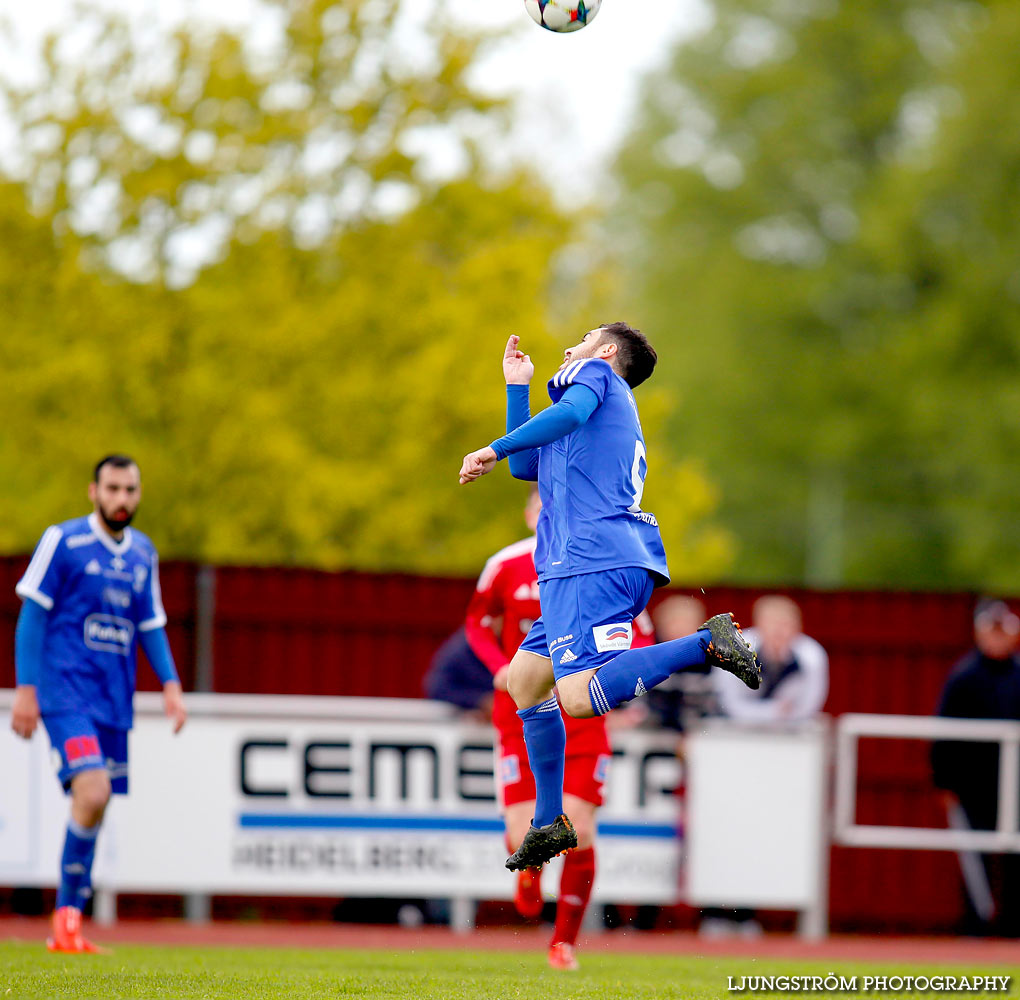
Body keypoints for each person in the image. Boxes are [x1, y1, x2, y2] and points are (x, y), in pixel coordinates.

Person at [458, 325, 760, 871]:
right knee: (526, 680)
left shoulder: (592, 374)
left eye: (583, 337)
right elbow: (529, 466)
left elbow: (555, 424)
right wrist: (516, 390)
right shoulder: (594, 413)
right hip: (590, 562)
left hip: (589, 559)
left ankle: (705, 645)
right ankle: (549, 820)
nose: (569, 345)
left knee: (575, 697)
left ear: (607, 351)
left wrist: (491, 448)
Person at [465, 486, 654, 971]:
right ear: (531, 515)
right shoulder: (505, 565)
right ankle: (528, 871)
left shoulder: (603, 562)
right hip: (522, 716)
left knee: (580, 830)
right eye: (541, 508)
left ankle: (563, 942)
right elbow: (476, 623)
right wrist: (498, 667)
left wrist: (621, 681)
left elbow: (642, 633)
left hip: (583, 717)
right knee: (520, 834)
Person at [10, 455, 187, 953]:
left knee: (96, 803)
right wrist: (27, 689)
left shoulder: (142, 553)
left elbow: (150, 624)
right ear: (93, 491)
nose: (122, 499)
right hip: (64, 691)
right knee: (92, 790)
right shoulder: (63, 541)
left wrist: (171, 684)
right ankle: (65, 923)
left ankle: (68, 924)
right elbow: (33, 615)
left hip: (113, 698)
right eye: (112, 488)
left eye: (130, 490)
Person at [932, 598, 1020, 937]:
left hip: (1014, 786)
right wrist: (944, 781)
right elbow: (943, 732)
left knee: (1014, 859)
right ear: (979, 633)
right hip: (973, 787)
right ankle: (976, 929)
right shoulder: (963, 677)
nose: (997, 639)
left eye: (1003, 631)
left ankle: (1011, 930)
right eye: (991, 631)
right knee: (976, 859)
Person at [713, 594, 829, 724]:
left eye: (785, 624)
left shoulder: (811, 656)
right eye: (772, 623)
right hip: (737, 730)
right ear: (758, 624)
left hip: (791, 732)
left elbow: (809, 707)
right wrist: (772, 711)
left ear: (797, 627)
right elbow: (729, 703)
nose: (778, 631)